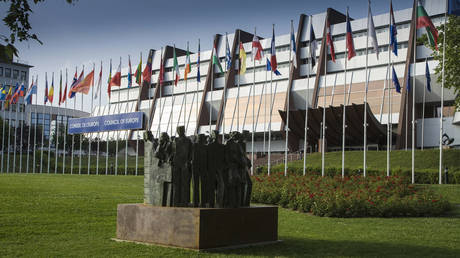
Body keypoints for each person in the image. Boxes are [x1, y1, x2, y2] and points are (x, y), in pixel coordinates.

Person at [171, 126, 193, 207]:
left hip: (185, 164)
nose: (179, 132)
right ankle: (176, 201)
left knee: (184, 184)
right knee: (177, 183)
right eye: (178, 130)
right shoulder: (175, 140)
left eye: (181, 130)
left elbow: (191, 152)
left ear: (183, 131)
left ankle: (184, 201)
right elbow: (172, 152)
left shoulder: (188, 141)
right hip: (176, 164)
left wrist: (188, 161)